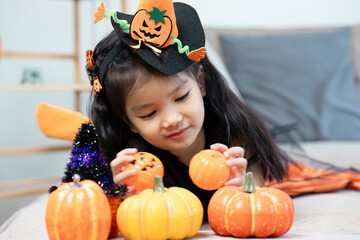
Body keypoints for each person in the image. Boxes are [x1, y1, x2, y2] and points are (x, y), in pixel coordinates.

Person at [87, 0, 287, 219]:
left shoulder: (235, 136)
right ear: (128, 122)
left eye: (181, 97)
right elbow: (130, 219)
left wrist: (243, 186)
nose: (171, 119)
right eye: (149, 114)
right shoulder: (135, 162)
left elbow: (256, 208)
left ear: (201, 83)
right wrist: (123, 194)